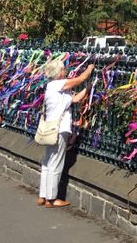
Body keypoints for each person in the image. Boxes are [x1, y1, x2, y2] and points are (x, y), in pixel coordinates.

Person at [37, 59, 94, 208]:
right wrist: (89, 68)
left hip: (50, 130)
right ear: (58, 72)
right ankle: (52, 199)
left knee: (48, 162)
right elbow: (81, 78)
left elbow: (74, 99)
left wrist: (88, 89)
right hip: (59, 129)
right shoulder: (58, 84)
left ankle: (43, 195)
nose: (65, 71)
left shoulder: (51, 87)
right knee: (56, 163)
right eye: (63, 69)